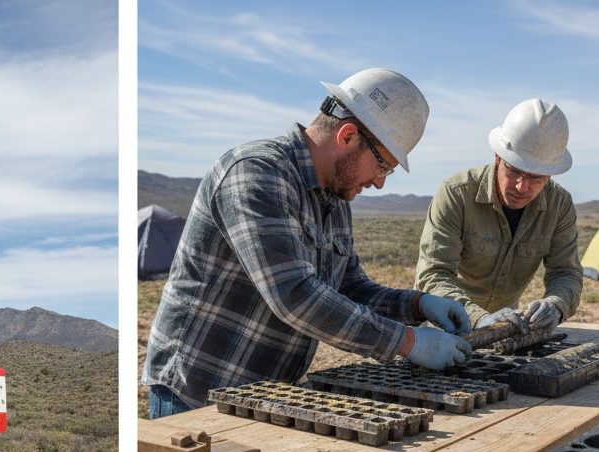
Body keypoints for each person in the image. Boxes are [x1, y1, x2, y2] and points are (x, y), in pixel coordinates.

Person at [142, 68, 474, 417]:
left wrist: (418, 305)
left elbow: (349, 288)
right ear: (348, 136)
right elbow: (293, 295)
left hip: (265, 395)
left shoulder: (335, 199)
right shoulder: (256, 173)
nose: (380, 183)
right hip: (199, 392)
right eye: (383, 166)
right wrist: (406, 342)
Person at [416, 99, 582, 333]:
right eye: (514, 171)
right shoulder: (456, 194)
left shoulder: (559, 205)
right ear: (497, 157)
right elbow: (434, 274)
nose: (522, 186)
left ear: (550, 174)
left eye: (536, 177)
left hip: (504, 329)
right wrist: (479, 319)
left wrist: (556, 304)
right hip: (443, 327)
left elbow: (566, 271)